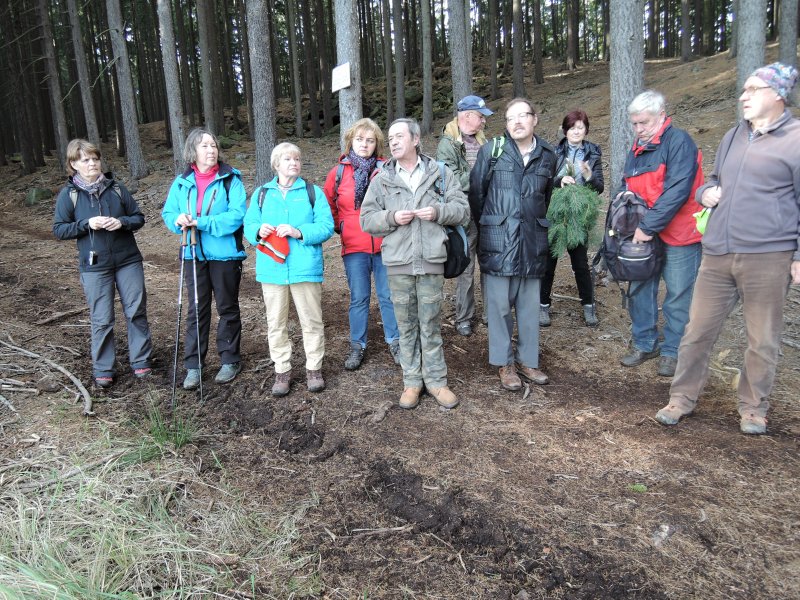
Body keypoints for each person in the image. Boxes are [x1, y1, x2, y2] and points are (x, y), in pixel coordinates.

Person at [655, 63, 800, 435]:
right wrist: (707, 192)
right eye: (744, 89)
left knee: (762, 339)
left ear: (778, 95)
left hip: (768, 256)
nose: (743, 96)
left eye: (753, 89)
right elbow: (712, 181)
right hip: (718, 253)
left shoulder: (796, 139)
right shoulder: (734, 135)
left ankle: (753, 408)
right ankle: (681, 398)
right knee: (696, 331)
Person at [360, 118, 470, 410]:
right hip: (398, 263)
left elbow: (462, 210)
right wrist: (391, 218)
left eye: (399, 136)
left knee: (431, 325)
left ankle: (436, 382)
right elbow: (366, 219)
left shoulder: (440, 173)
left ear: (415, 139)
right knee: (406, 326)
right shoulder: (381, 178)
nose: (393, 142)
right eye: (391, 138)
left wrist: (437, 211)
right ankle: (412, 382)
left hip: (432, 260)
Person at [468, 98, 556, 392]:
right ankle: (505, 363)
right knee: (499, 308)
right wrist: (494, 223)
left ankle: (528, 360)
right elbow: (477, 196)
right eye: (510, 117)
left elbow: (547, 198)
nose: (517, 122)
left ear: (535, 119)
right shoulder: (492, 151)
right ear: (505, 124)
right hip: (498, 240)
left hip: (532, 240)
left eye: (523, 116)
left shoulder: (547, 155)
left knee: (530, 306)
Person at [53, 139, 153, 388]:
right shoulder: (70, 195)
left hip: (128, 260)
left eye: (95, 159)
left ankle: (141, 362)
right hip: (94, 266)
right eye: (85, 160)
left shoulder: (116, 188)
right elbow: (59, 229)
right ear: (74, 164)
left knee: (136, 311)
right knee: (102, 319)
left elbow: (138, 217)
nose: (92, 163)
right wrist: (87, 224)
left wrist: (122, 223)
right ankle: (104, 369)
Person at [618, 90, 704, 378]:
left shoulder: (679, 142)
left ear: (662, 115)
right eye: (635, 124)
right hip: (645, 233)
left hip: (680, 234)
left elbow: (677, 191)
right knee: (640, 287)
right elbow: (628, 186)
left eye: (644, 123)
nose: (638, 129)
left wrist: (646, 227)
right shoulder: (638, 147)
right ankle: (645, 343)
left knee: (678, 294)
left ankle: (673, 350)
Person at [244, 142, 334, 397]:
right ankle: (282, 371)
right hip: (272, 268)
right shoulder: (262, 193)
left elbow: (327, 226)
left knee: (312, 321)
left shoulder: (311, 191)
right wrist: (256, 231)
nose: (294, 163)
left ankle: (314, 369)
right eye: (287, 159)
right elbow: (249, 223)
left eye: (297, 159)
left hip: (305, 267)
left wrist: (299, 231)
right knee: (276, 323)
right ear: (276, 164)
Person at [162, 128, 247, 390]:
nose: (211, 151)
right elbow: (169, 212)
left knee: (227, 307)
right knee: (196, 309)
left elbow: (237, 215)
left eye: (213, 145)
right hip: (192, 252)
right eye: (204, 146)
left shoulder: (231, 179)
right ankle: (193, 365)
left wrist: (202, 222)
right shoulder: (182, 182)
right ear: (193, 151)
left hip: (225, 255)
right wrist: (178, 220)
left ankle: (230, 359)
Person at [323, 118, 400, 371]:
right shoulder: (337, 173)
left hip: (385, 244)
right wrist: (343, 228)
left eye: (370, 140)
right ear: (350, 142)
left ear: (376, 143)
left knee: (388, 296)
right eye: (359, 139)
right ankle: (358, 345)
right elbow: (329, 207)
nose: (364, 144)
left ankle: (396, 341)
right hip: (354, 246)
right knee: (359, 298)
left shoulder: (387, 168)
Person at [540, 109, 604, 328]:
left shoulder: (593, 152)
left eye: (581, 127)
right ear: (565, 130)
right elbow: (544, 181)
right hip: (556, 213)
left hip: (579, 215)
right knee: (549, 262)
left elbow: (600, 188)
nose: (577, 131)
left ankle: (588, 307)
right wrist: (559, 181)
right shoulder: (553, 151)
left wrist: (588, 176)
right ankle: (543, 306)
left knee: (580, 264)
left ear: (586, 130)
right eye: (573, 127)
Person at [436, 94, 493, 336]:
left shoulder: (484, 141)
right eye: (480, 117)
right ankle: (464, 317)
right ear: (467, 116)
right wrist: (481, 173)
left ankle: (492, 313)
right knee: (466, 267)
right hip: (465, 214)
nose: (483, 122)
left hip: (488, 211)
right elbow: (450, 181)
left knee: (490, 265)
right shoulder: (447, 144)